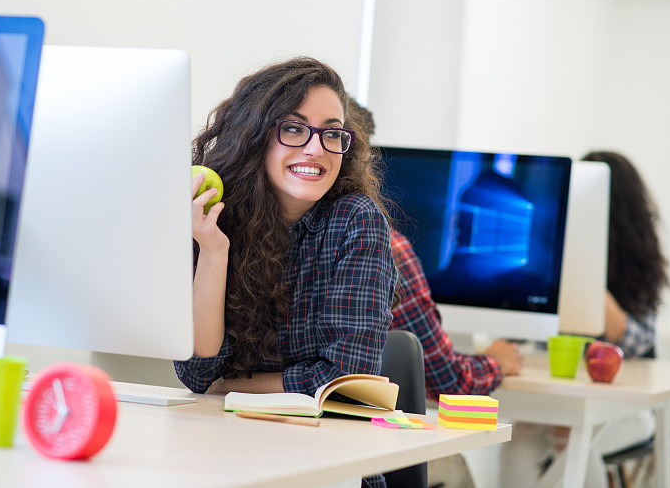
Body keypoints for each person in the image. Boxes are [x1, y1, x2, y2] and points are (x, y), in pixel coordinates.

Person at [174, 57, 398, 488]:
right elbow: (199, 374)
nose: (316, 149)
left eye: (332, 133)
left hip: (326, 467)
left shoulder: (355, 220)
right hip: (226, 454)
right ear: (255, 136)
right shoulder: (215, 217)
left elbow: (346, 382)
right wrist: (215, 252)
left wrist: (236, 387)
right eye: (294, 128)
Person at [348, 99, 523, 488]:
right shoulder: (386, 248)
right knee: (455, 467)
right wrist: (494, 363)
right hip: (356, 453)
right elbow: (446, 379)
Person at [499, 150, 670, 488]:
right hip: (556, 398)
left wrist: (585, 273)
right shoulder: (546, 251)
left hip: (621, 408)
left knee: (578, 441)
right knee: (516, 443)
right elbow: (531, 336)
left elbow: (639, 341)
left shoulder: (638, 267)